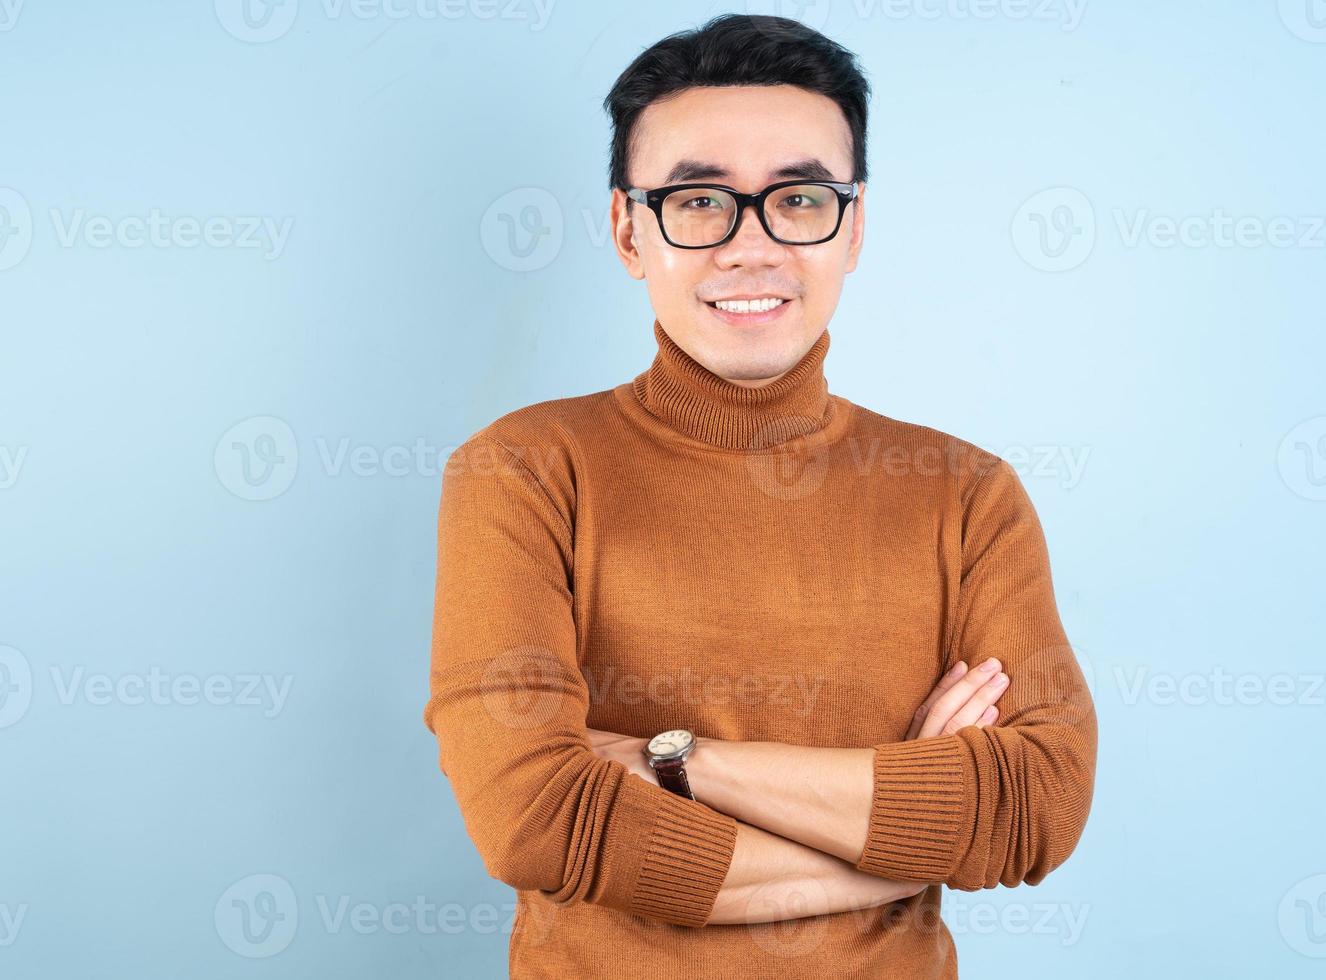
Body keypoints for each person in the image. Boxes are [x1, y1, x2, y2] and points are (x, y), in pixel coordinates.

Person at [423, 13, 1097, 978]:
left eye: (800, 197)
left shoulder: (965, 493)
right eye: (699, 200)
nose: (752, 245)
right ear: (628, 229)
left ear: (852, 227)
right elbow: (535, 817)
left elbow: (1039, 805)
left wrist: (674, 761)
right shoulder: (524, 470)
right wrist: (897, 832)